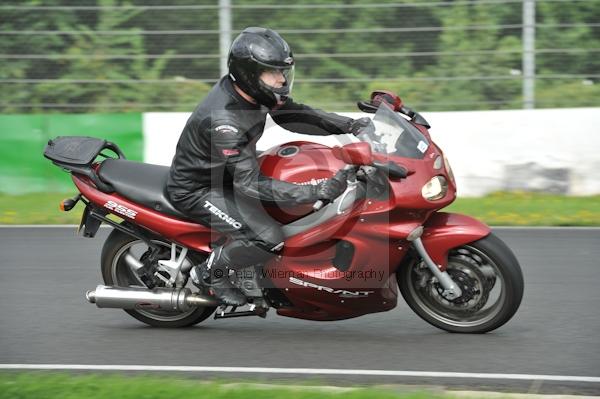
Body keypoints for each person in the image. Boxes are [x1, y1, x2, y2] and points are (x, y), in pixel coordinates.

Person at [166, 27, 373, 306]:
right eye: (272, 73)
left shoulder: (253, 93)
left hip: (228, 171)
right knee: (268, 237)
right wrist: (318, 191)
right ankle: (210, 275)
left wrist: (351, 125)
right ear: (250, 74)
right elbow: (248, 184)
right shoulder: (226, 120)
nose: (281, 79)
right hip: (198, 188)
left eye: (282, 72)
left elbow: (294, 114)